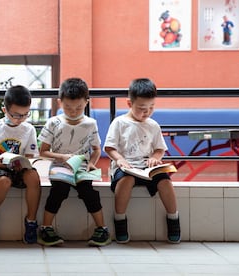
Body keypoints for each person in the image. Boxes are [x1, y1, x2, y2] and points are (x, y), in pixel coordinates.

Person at [104, 78, 181, 244]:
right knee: (126, 180)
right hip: (125, 168)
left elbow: (160, 148)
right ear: (129, 103)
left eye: (151, 107)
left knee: (165, 181)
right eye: (141, 108)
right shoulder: (119, 123)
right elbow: (109, 148)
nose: (147, 112)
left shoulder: (153, 125)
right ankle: (120, 220)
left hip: (147, 168)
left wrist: (155, 158)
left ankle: (173, 219)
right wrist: (120, 160)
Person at [37, 77, 111, 247]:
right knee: (59, 190)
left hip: (82, 166)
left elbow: (97, 149)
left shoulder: (90, 123)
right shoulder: (53, 123)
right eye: (68, 107)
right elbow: (43, 151)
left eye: (78, 107)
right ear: (59, 102)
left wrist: (92, 163)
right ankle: (46, 228)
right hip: (60, 165)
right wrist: (62, 157)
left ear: (86, 102)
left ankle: (102, 229)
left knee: (88, 191)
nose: (73, 111)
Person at [0, 85, 41, 244]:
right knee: (4, 181)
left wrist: (24, 162)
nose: (20, 119)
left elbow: (30, 155)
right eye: (15, 115)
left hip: (19, 168)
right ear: (4, 110)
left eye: (25, 115)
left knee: (33, 176)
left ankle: (31, 221)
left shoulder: (29, 129)